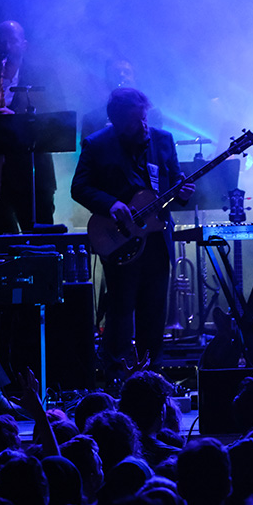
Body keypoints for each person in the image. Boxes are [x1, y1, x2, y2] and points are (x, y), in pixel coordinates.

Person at [71, 87, 194, 381]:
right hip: (120, 238)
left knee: (154, 310)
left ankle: (152, 377)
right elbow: (79, 187)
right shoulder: (97, 144)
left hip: (156, 237)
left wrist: (183, 191)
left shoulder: (162, 140)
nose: (142, 126)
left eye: (144, 119)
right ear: (116, 121)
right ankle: (116, 375)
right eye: (134, 122)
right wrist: (111, 204)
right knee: (121, 308)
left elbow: (174, 179)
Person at [0, 20, 64, 233]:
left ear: (24, 45)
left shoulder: (44, 77)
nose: (6, 44)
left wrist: (15, 119)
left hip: (35, 176)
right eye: (0, 39)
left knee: (40, 245)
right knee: (2, 247)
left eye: (12, 40)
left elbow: (58, 120)